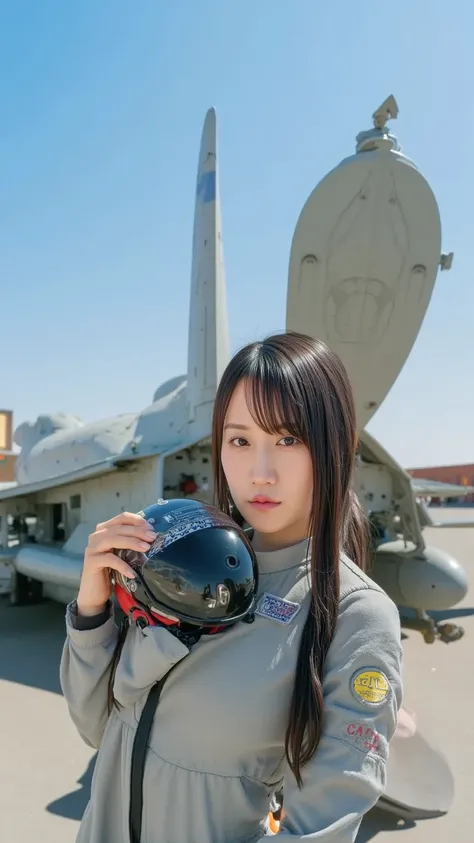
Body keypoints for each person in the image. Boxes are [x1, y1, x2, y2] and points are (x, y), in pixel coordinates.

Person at [60, 331, 403, 843]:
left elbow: (319, 825)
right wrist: (92, 610)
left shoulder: (355, 614)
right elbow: (98, 728)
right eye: (240, 440)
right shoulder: (183, 562)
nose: (259, 473)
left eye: (289, 439)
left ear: (335, 445)